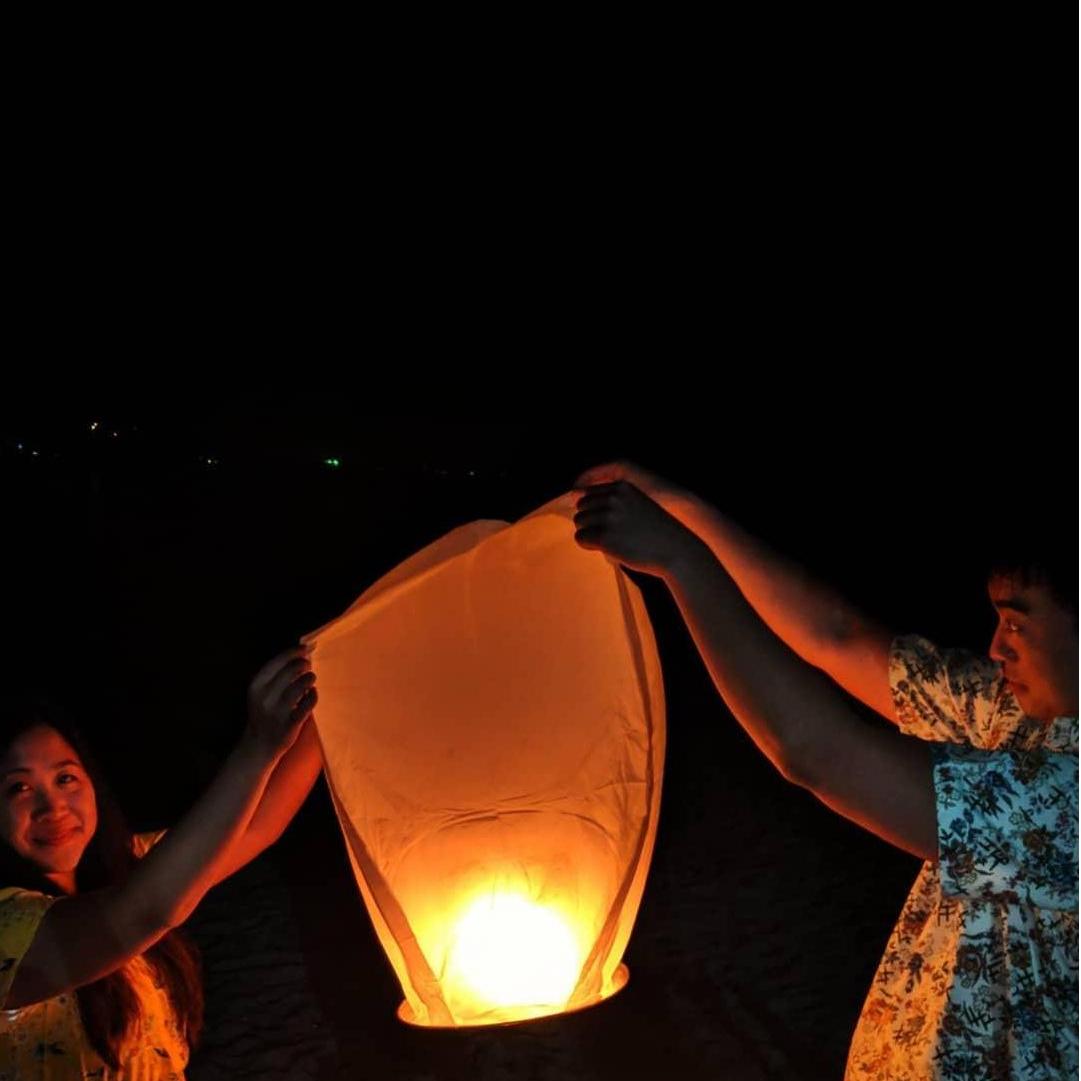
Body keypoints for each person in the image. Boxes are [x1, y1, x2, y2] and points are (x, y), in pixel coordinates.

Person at [574, 462, 1078, 1080]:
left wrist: (681, 562)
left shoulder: (1068, 801)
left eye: (1018, 624)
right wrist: (684, 512)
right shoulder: (1020, 714)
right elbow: (835, 636)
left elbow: (816, 752)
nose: (997, 647)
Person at [0, 647, 324, 1079]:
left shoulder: (129, 867)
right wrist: (258, 746)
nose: (52, 806)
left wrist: (325, 692)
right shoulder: (8, 926)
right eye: (19, 789)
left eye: (65, 778)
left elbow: (257, 823)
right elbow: (146, 909)